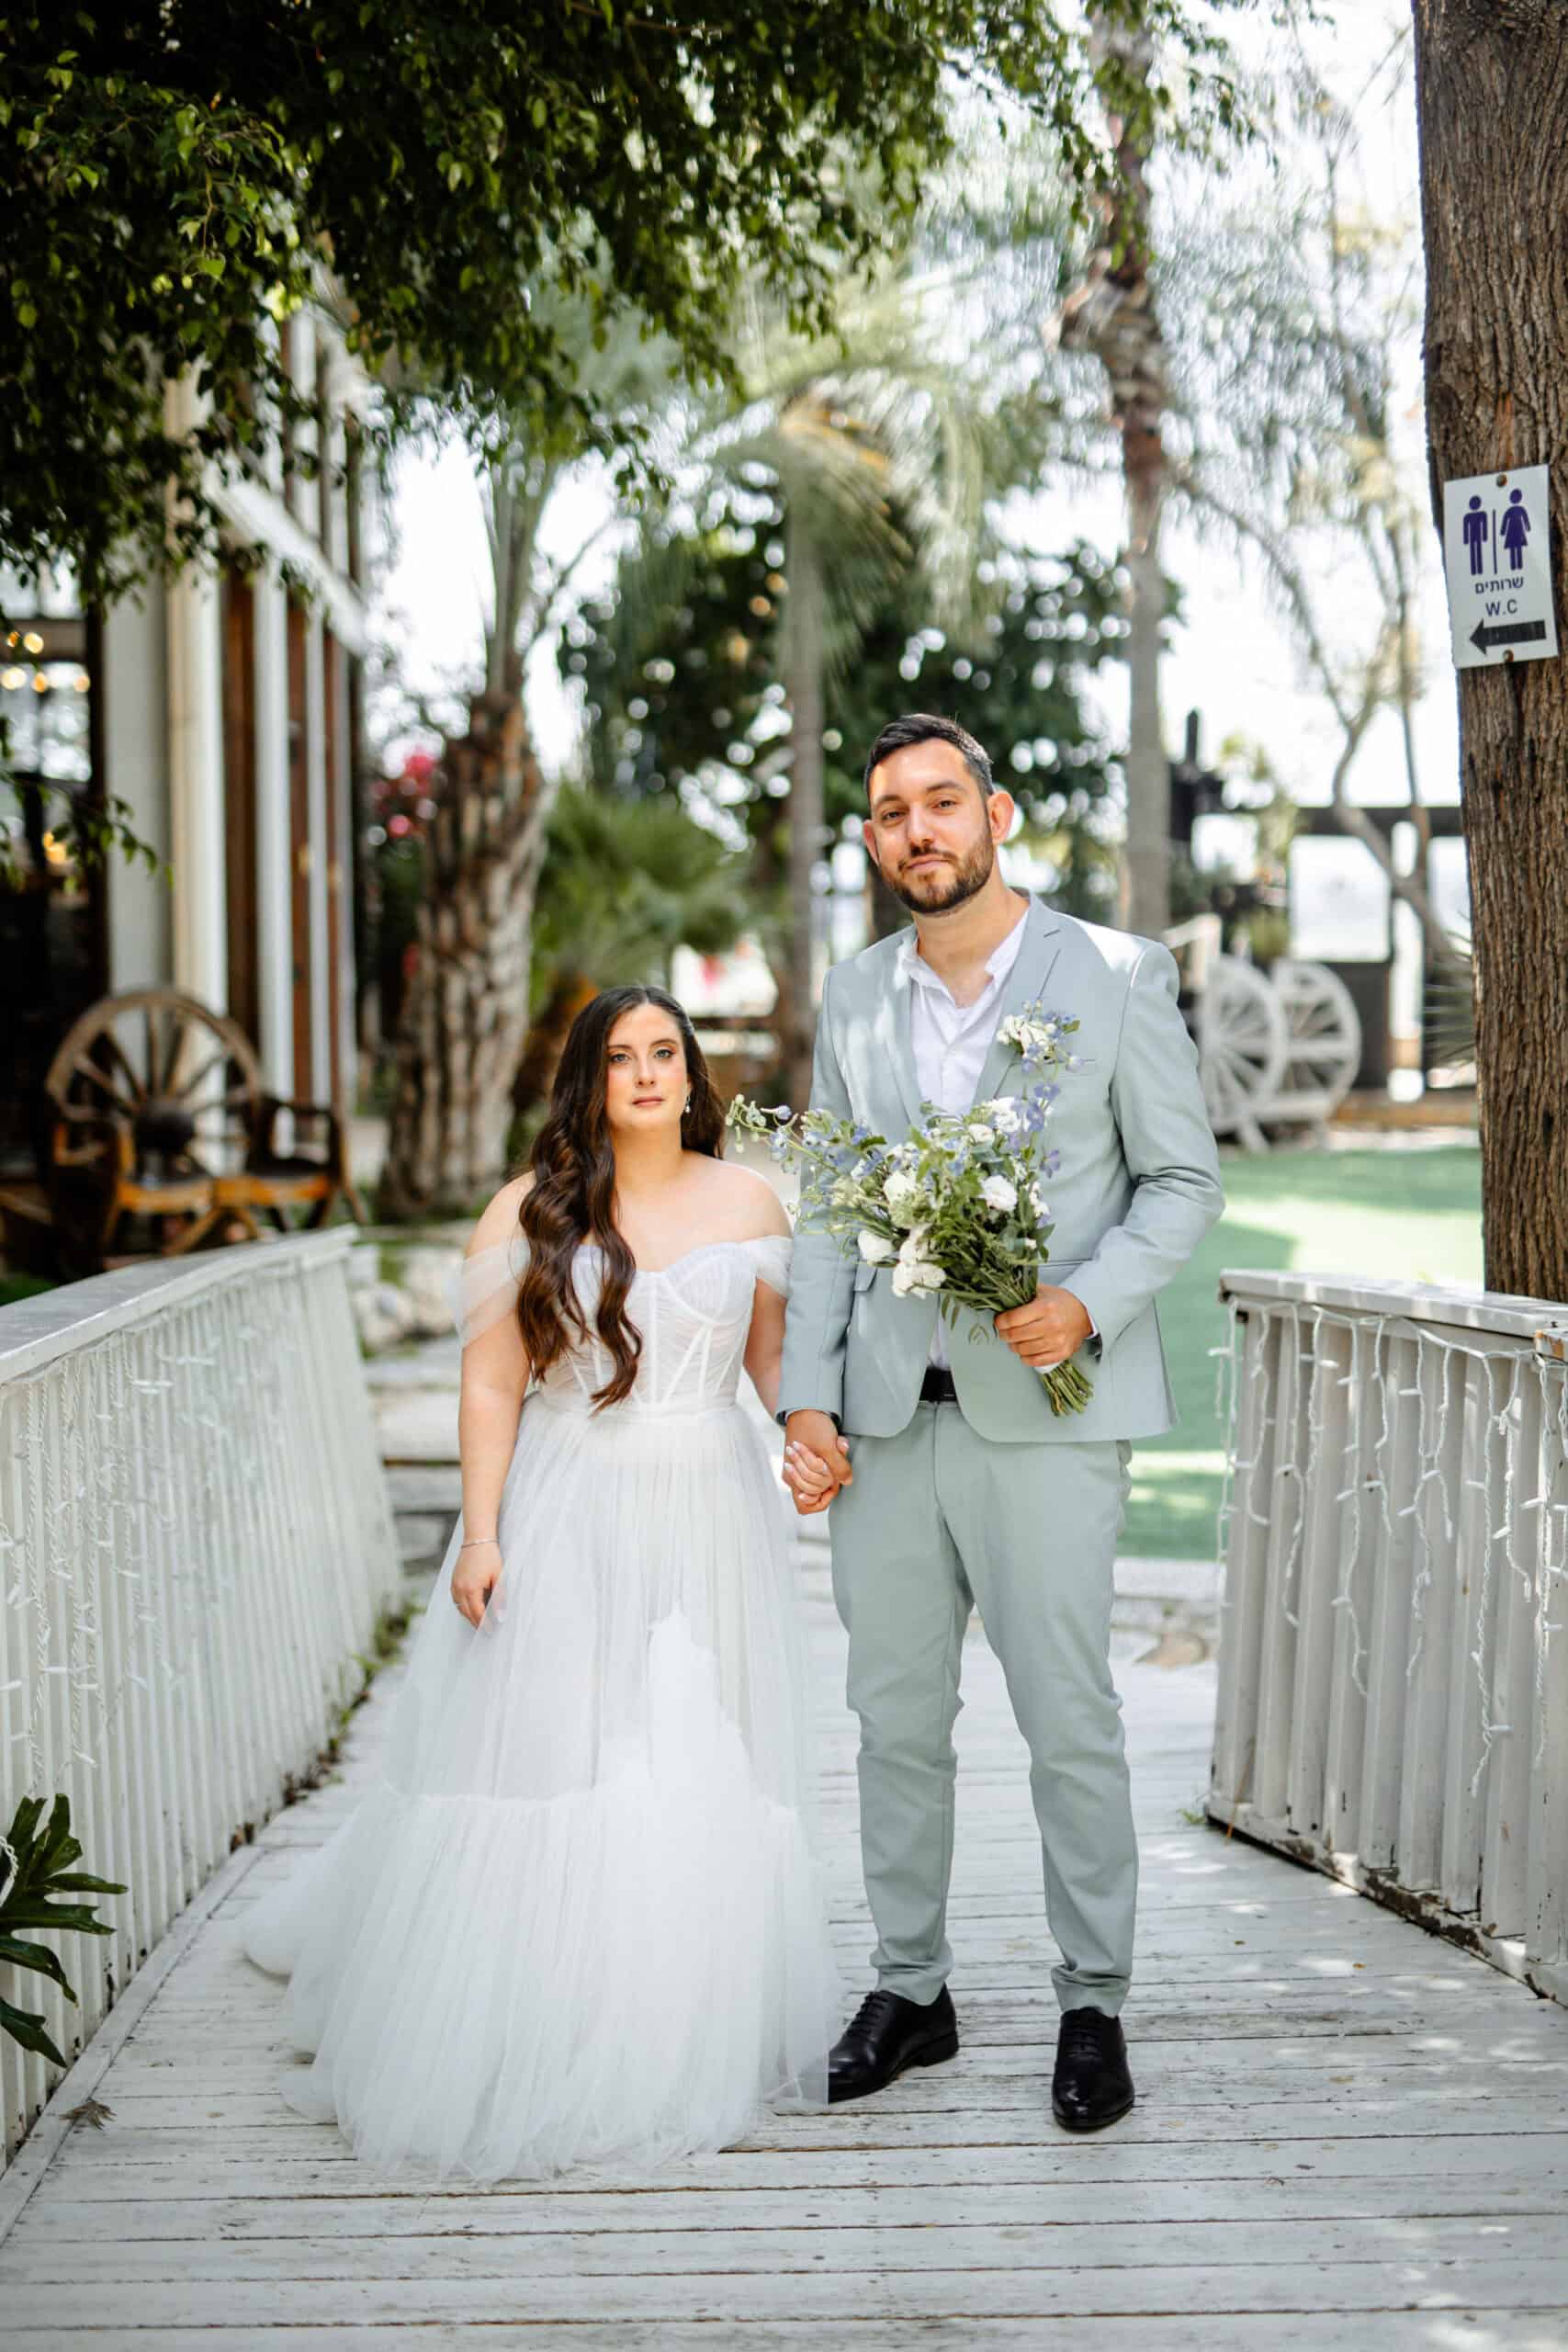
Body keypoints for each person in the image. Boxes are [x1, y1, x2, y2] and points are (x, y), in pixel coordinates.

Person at [239, 984, 841, 2181]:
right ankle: (537, 2000)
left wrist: (805, 1436)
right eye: (621, 1057)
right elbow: (488, 1384)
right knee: (558, 1743)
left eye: (665, 1052)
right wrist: (480, 1534)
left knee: (692, 1736)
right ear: (589, 1079)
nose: (648, 1074)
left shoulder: (750, 1202)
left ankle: (675, 2004)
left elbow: (771, 1361)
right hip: (570, 1493)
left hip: (710, 1501)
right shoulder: (530, 1210)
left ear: (692, 1073)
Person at [777, 712, 1224, 2132]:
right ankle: (912, 1989)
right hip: (885, 1427)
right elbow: (832, 1210)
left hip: (1047, 1417)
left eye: (941, 802)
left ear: (997, 813)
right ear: (872, 840)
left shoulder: (1115, 973)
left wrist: (1086, 1305)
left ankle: (1093, 2004)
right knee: (892, 1721)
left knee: (1068, 1718)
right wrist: (807, 1393)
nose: (918, 829)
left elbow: (1181, 1182)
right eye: (890, 811)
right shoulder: (856, 993)